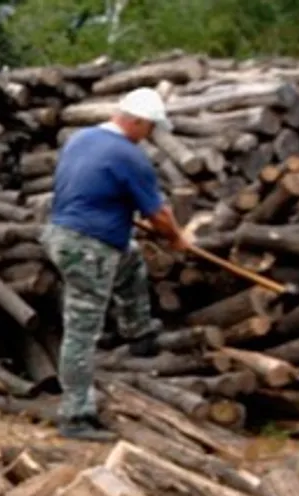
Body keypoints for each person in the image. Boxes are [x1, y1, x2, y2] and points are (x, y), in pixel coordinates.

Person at [42, 87, 191, 442]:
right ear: (136, 121)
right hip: (87, 247)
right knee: (82, 330)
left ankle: (137, 329)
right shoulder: (129, 156)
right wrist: (176, 239)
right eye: (151, 128)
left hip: (65, 234)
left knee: (132, 260)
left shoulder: (83, 138)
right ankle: (75, 414)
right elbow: (158, 214)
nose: (152, 136)